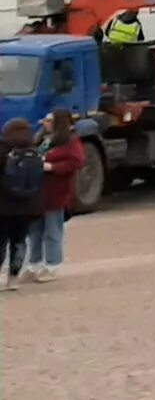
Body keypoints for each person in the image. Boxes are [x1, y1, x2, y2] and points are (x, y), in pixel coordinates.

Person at [34, 111, 80, 279]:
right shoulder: (41, 139)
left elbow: (76, 161)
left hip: (56, 193)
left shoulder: (70, 140)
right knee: (34, 231)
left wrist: (53, 167)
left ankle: (52, 265)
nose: (44, 123)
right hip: (37, 193)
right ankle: (34, 264)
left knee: (52, 230)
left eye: (48, 120)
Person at [0, 117, 42, 291]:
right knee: (20, 242)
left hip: (3, 205)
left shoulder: (3, 150)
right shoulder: (34, 151)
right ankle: (13, 278)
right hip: (27, 207)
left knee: (0, 242)